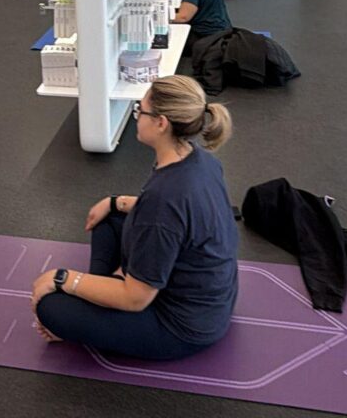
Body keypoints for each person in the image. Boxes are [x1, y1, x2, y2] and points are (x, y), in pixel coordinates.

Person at [31, 75, 237, 360]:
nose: (136, 117)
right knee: (108, 219)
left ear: (161, 123)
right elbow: (179, 215)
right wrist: (116, 202)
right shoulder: (199, 159)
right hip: (209, 298)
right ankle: (101, 295)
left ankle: (95, 305)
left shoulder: (163, 201)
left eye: (140, 111)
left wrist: (63, 279)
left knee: (51, 308)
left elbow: (136, 299)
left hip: (181, 326)